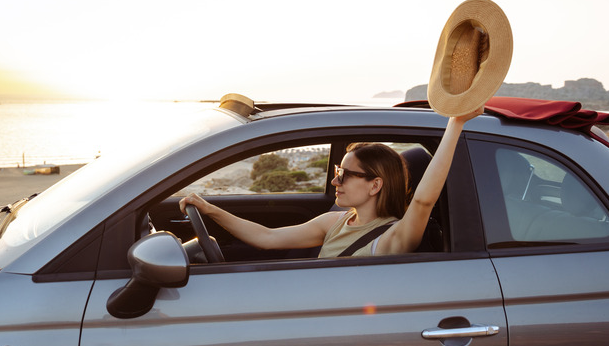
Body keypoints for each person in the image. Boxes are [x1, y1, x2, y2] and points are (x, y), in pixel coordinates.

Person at [179, 106, 483, 258]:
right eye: (338, 170)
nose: (336, 180)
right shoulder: (334, 222)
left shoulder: (392, 238)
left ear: (375, 185)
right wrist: (209, 209)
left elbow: (423, 200)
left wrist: (455, 124)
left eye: (346, 175)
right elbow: (267, 238)